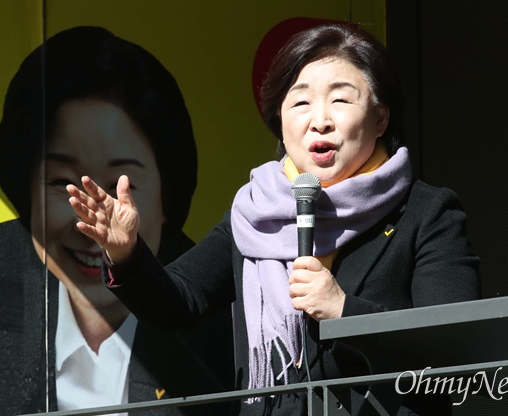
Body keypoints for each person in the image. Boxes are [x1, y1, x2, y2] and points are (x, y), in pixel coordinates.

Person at [67, 24, 481, 415]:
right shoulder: (254, 212)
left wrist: (343, 311)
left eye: (340, 99)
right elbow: (180, 302)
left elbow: (451, 344)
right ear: (281, 127)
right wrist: (125, 254)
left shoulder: (426, 212)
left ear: (380, 118)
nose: (320, 120)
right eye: (300, 102)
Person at [0, 26, 233, 415]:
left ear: (165, 196)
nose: (94, 221)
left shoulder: (213, 312)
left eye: (121, 185)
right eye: (63, 183)